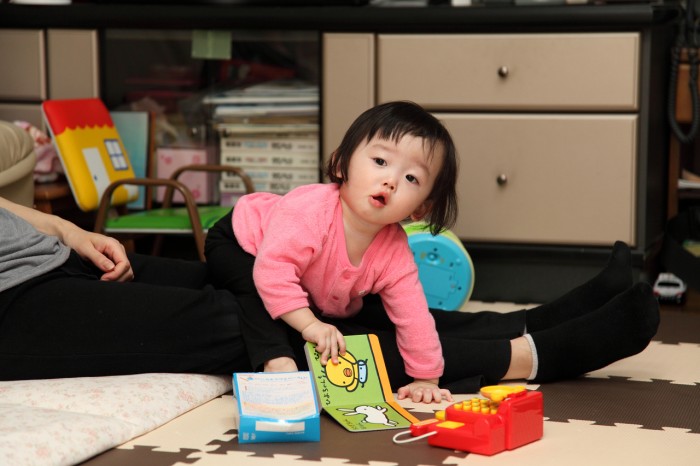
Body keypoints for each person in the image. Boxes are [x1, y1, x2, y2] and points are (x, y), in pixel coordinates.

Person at [205, 100, 661, 403]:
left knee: (389, 317)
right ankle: (276, 363)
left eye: (411, 178)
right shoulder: (308, 211)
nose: (389, 180)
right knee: (259, 291)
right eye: (380, 162)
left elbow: (414, 318)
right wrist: (310, 324)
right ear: (342, 163)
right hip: (241, 243)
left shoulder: (393, 251)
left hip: (317, 285)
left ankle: (546, 318)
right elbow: (273, 272)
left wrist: (426, 376)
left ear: (420, 208)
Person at [0, 195, 252, 380]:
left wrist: (66, 231)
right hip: (12, 292)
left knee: (244, 279)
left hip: (52, 252)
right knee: (239, 323)